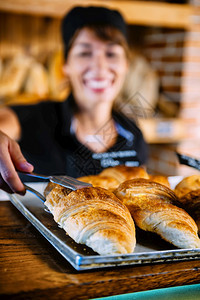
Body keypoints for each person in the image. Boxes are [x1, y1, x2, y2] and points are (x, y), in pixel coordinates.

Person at [0, 6, 148, 195]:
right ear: (65, 66)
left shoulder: (133, 134)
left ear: (126, 65)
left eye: (111, 54)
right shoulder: (33, 118)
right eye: (85, 53)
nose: (100, 67)